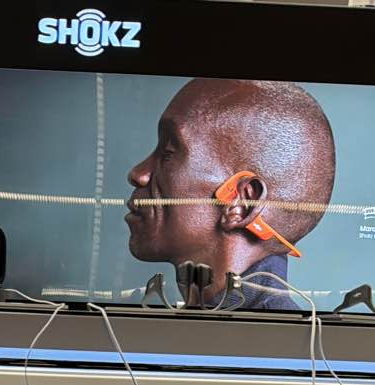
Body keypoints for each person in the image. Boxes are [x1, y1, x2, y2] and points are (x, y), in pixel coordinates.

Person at [126, 78, 336, 311]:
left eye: (167, 153)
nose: (138, 174)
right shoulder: (217, 324)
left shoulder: (268, 333)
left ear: (241, 203)